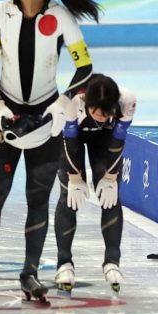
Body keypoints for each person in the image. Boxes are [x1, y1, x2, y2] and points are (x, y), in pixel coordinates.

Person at [0, 0, 100, 302]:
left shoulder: (59, 17)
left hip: (46, 123)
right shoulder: (0, 12)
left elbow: (84, 68)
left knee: (37, 200)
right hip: (5, 120)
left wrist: (64, 102)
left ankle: (30, 273)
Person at [52, 74, 136, 294]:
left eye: (105, 114)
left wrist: (110, 177)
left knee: (111, 195)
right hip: (72, 138)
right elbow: (68, 141)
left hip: (105, 139)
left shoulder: (127, 100)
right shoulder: (70, 102)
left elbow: (119, 139)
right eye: (95, 113)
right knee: (69, 195)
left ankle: (112, 262)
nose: (100, 117)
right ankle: (64, 263)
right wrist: (74, 177)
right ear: (87, 105)